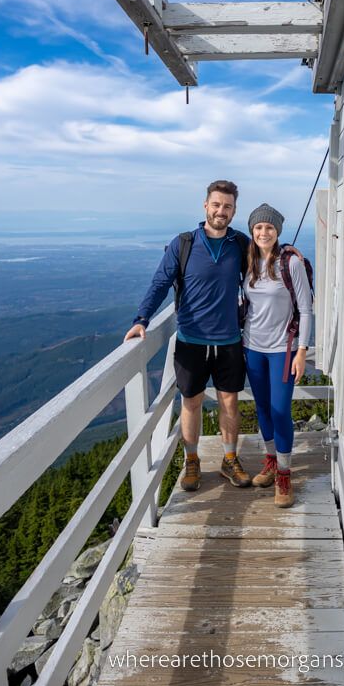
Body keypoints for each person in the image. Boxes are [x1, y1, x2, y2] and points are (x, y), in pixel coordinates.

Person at [124, 180, 254, 491]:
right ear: (205, 205)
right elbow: (160, 283)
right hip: (191, 340)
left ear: (234, 211)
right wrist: (142, 318)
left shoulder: (240, 243)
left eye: (228, 207)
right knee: (191, 403)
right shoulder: (183, 243)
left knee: (229, 403)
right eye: (216, 204)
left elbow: (264, 268)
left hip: (229, 341)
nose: (221, 211)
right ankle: (192, 461)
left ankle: (229, 459)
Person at [240, 204, 313, 509]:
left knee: (281, 410)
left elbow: (307, 310)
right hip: (252, 346)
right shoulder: (247, 262)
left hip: (283, 348)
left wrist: (302, 351)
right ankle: (271, 461)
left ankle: (284, 474)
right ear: (252, 231)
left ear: (278, 231)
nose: (263, 232)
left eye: (269, 227)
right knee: (263, 409)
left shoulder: (291, 263)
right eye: (258, 227)